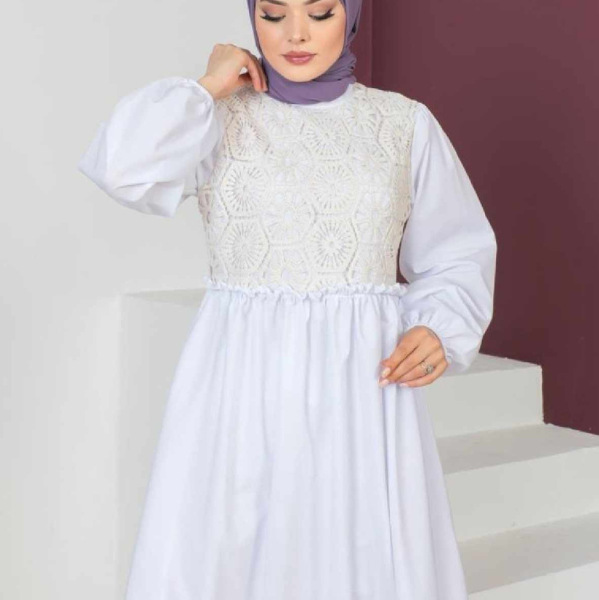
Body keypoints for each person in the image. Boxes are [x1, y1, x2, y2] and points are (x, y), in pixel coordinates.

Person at [77, 0, 497, 597]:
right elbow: (120, 169)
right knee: (232, 550)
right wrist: (205, 88)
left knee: (358, 552)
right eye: (274, 15)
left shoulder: (402, 123)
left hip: (362, 385)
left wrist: (439, 325)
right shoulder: (218, 119)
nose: (296, 34)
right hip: (240, 384)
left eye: (320, 12)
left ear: (351, 15)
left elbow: (456, 249)